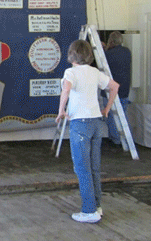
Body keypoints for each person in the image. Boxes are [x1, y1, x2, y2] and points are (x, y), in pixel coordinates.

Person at [56, 39, 119, 223]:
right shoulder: (95, 72)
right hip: (95, 122)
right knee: (94, 168)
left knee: (82, 169)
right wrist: (106, 108)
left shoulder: (71, 72)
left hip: (80, 122)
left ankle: (89, 210)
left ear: (71, 54)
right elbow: (115, 87)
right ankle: (97, 206)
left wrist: (61, 110)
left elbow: (66, 90)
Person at [104, 31, 132, 145]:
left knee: (111, 115)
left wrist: (105, 49)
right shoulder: (127, 52)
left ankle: (115, 139)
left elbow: (105, 63)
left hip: (110, 90)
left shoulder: (108, 54)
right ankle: (126, 139)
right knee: (123, 115)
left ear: (111, 41)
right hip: (124, 89)